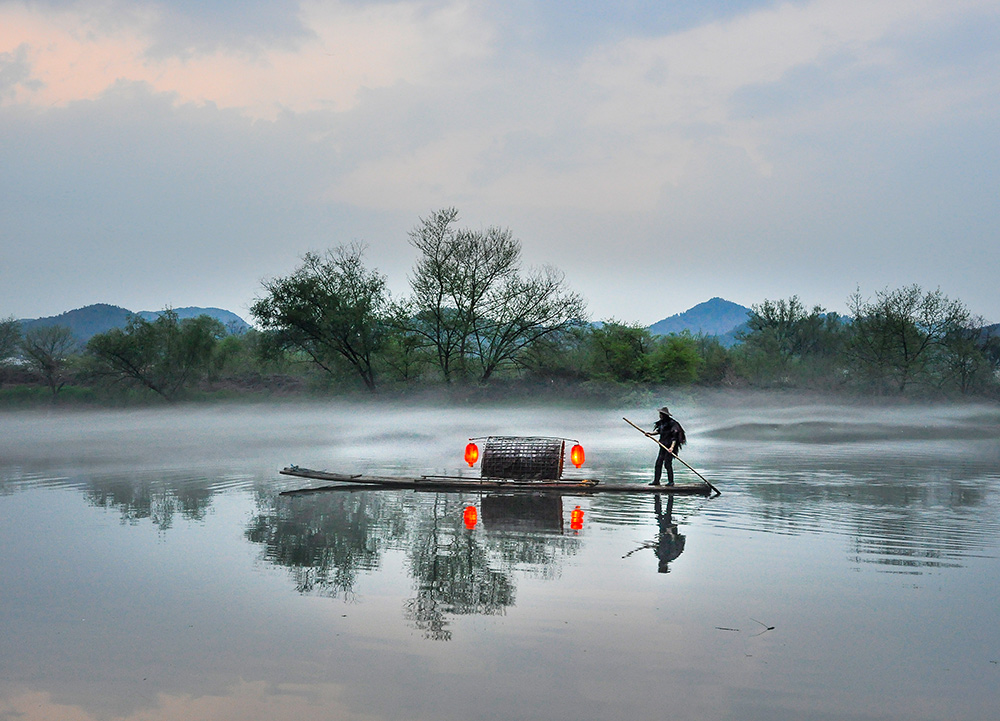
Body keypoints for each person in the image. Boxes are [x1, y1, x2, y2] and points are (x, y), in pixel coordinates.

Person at [647, 406, 685, 486]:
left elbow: (674, 436)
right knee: (658, 463)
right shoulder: (662, 423)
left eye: (660, 414)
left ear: (664, 415)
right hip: (663, 446)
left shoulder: (672, 423)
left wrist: (671, 447)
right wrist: (650, 434)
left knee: (667, 463)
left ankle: (671, 482)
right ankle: (656, 481)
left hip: (669, 447)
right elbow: (659, 431)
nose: (659, 415)